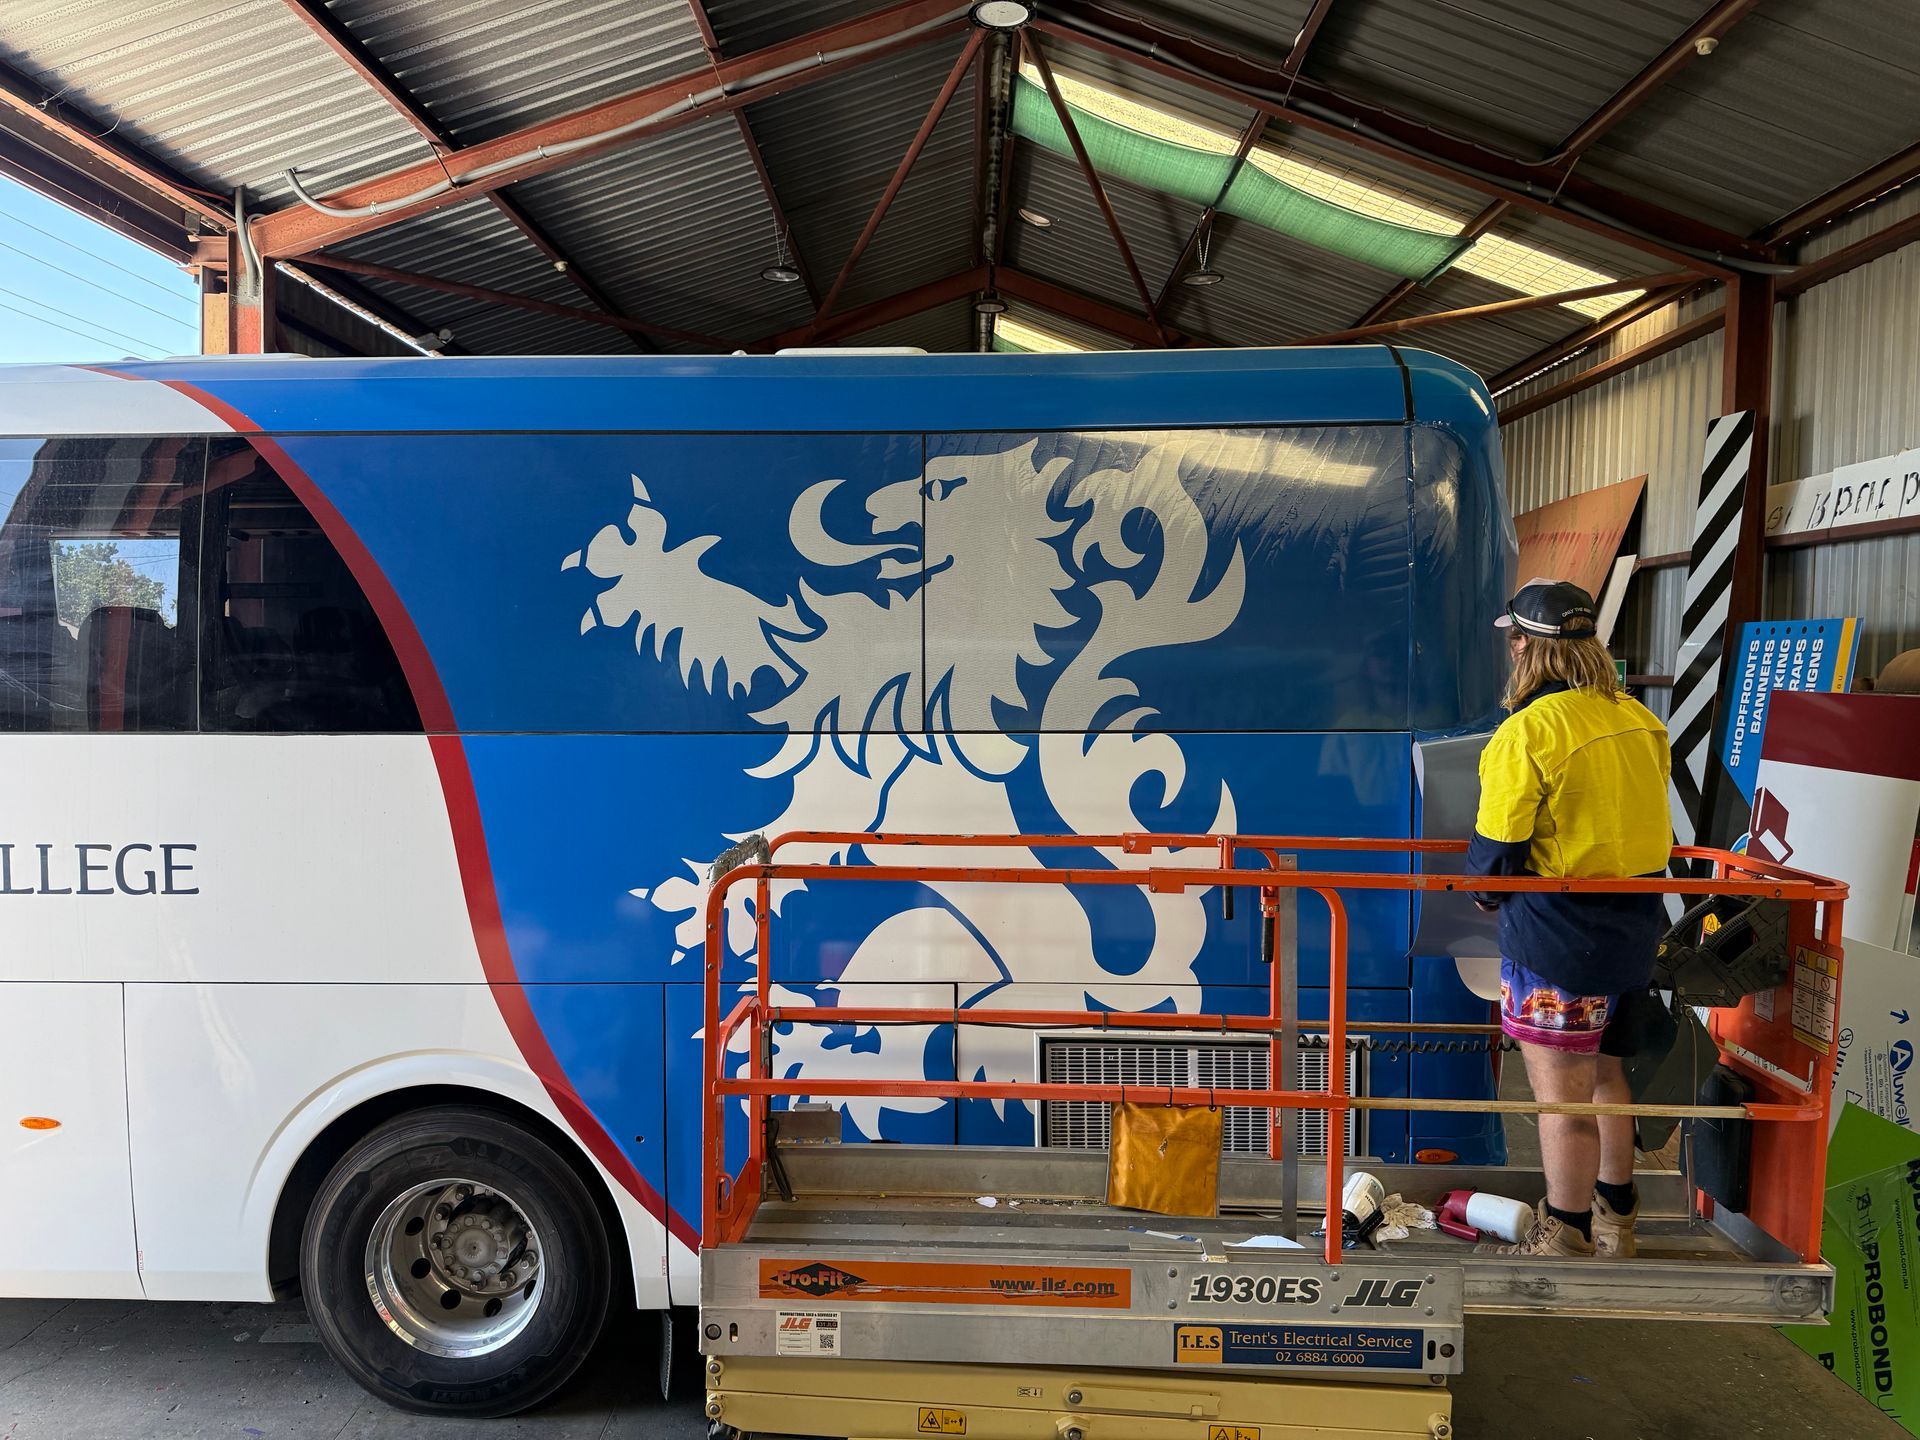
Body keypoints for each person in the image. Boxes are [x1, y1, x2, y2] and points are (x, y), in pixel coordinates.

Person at [1467, 578, 1672, 1258]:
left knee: (1561, 1099)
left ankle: (1565, 1227)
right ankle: (1618, 1213)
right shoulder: (1642, 721)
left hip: (1556, 937)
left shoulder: (1527, 731)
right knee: (1610, 1078)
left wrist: (1484, 895)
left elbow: (1496, 856)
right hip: (1636, 928)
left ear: (1523, 645)